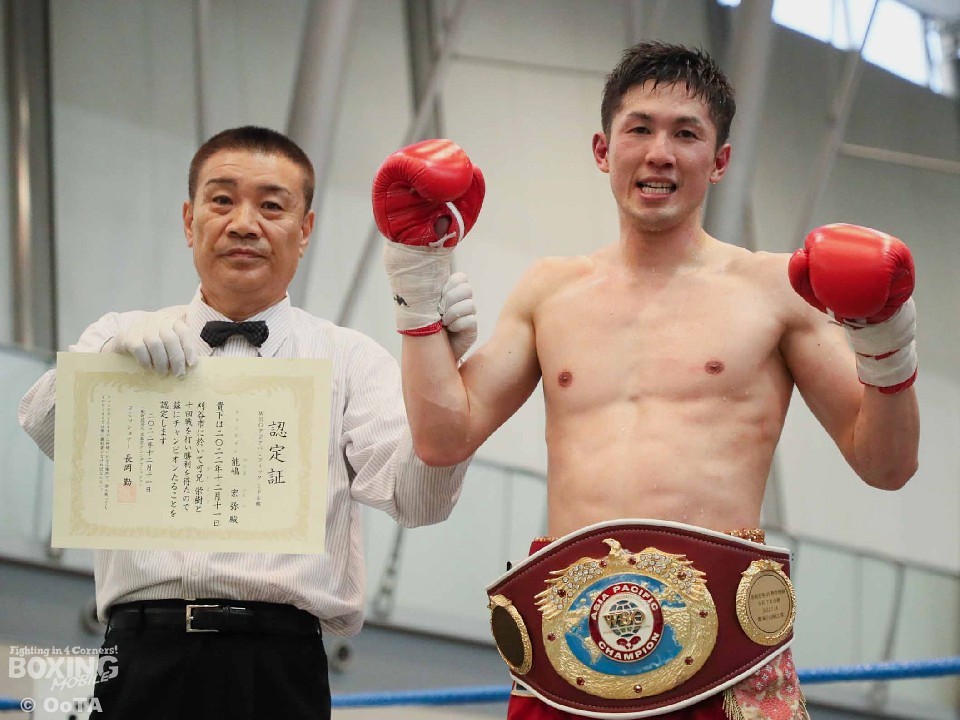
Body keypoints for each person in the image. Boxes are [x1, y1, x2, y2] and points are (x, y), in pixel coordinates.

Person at [372, 43, 919, 720]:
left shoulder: (776, 288)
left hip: (726, 658)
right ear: (603, 150)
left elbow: (886, 465)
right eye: (640, 129)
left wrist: (886, 346)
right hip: (570, 655)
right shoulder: (549, 290)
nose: (660, 153)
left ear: (719, 161)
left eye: (686, 134)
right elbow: (442, 437)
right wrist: (416, 283)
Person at [18, 126, 477, 720]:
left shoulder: (350, 358)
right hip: (139, 651)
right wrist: (109, 365)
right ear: (189, 221)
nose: (243, 224)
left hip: (281, 662)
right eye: (222, 200)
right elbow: (44, 426)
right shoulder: (119, 333)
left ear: (305, 230)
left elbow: (419, 501)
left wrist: (441, 375)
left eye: (272, 206)